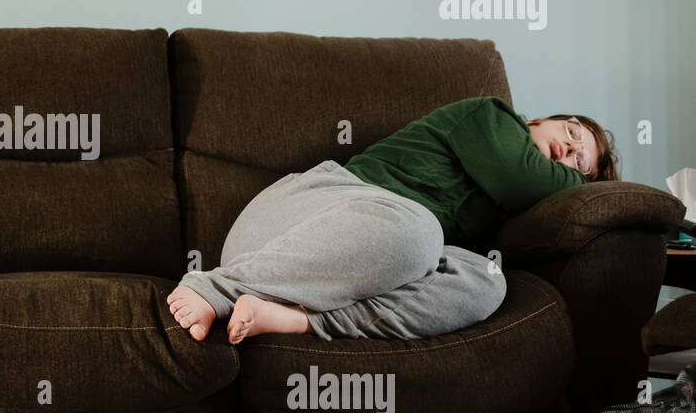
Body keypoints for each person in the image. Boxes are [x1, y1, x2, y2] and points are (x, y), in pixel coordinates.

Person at [166, 96, 618, 344]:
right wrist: (579, 178)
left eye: (582, 163)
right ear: (539, 120)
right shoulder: (491, 116)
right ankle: (218, 286)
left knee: (487, 279)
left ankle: (296, 319)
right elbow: (526, 179)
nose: (571, 150)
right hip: (301, 215)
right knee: (422, 230)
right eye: (572, 132)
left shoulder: (511, 204)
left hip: (363, 262)